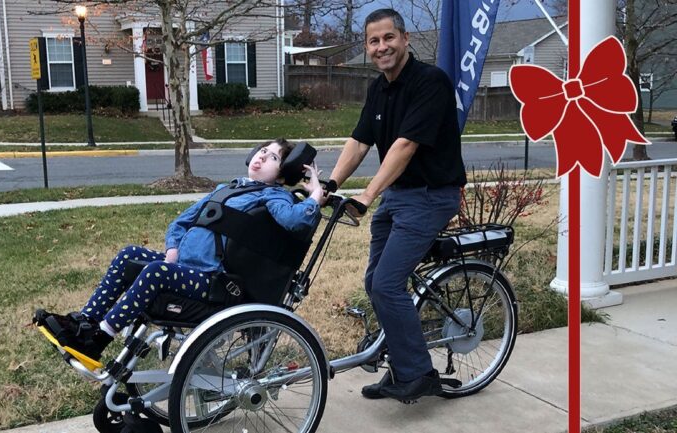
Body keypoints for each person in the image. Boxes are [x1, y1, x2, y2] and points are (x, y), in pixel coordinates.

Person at [35, 138, 326, 364]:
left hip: (213, 279)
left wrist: (314, 194)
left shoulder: (273, 195)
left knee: (156, 272)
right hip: (184, 264)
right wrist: (172, 248)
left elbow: (294, 220)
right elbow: (181, 222)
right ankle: (84, 323)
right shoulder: (227, 188)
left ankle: (98, 340)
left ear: (283, 173)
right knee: (128, 255)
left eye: (273, 157)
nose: (261, 156)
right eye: (262, 150)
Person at [328, 9, 466, 402]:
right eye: (374, 41)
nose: (381, 47)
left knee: (387, 284)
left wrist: (367, 195)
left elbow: (405, 146)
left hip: (431, 195)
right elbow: (359, 142)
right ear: (367, 47)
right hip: (399, 196)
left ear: (405, 39)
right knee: (376, 282)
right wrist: (330, 185)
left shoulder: (430, 82)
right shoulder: (378, 88)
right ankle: (402, 365)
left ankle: (418, 373)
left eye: (389, 37)